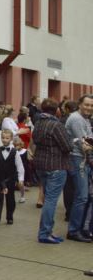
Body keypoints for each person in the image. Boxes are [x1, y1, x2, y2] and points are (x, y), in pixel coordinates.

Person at [32, 98, 71, 244]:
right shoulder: (56, 125)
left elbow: (35, 140)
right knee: (51, 200)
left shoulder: (38, 123)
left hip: (41, 165)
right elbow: (67, 146)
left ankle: (46, 231)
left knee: (48, 198)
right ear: (57, 110)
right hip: (56, 165)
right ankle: (45, 233)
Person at [63, 94, 93, 242]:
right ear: (80, 104)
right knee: (82, 196)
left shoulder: (85, 119)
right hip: (77, 159)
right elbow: (85, 144)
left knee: (84, 196)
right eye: (86, 104)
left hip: (83, 160)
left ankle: (80, 228)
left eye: (91, 105)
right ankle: (74, 231)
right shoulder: (76, 119)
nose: (89, 108)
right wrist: (89, 145)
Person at [0, 129, 25, 226]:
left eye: (7, 138)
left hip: (10, 178)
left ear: (11, 139)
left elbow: (20, 166)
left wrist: (21, 179)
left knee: (10, 199)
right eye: (3, 138)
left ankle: (10, 217)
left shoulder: (14, 152)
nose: (4, 140)